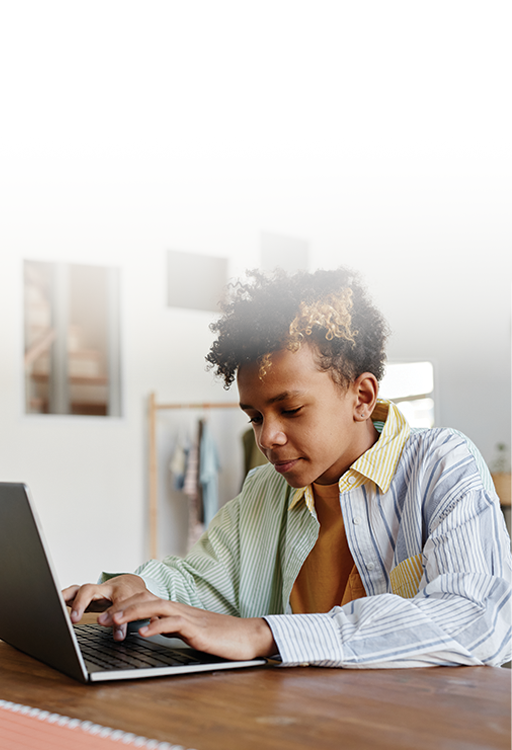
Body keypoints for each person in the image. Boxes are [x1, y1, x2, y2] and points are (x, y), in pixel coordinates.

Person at [63, 266, 512, 667]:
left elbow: (478, 619)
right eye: (255, 417)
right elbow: (201, 583)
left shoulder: (441, 465)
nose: (267, 438)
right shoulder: (264, 490)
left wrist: (264, 633)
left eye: (291, 410)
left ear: (362, 397)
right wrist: (136, 587)